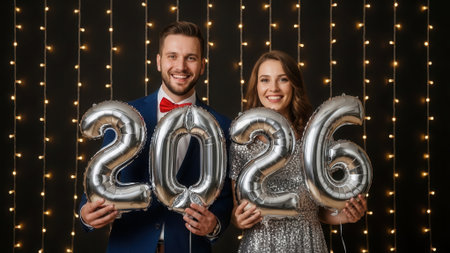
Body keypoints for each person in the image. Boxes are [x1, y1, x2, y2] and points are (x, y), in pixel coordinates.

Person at [79, 21, 233, 253]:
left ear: (202, 66)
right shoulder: (123, 117)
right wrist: (85, 214)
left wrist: (215, 224)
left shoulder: (222, 126)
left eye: (191, 58)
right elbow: (99, 178)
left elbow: (225, 198)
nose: (180, 66)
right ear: (159, 61)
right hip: (129, 246)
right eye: (172, 56)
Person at [229, 50, 367, 252]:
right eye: (265, 80)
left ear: (294, 84)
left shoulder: (317, 137)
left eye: (282, 79)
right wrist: (238, 219)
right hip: (260, 245)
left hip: (308, 243)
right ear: (256, 86)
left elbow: (317, 210)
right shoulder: (243, 141)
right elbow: (236, 210)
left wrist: (345, 216)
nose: (273, 88)